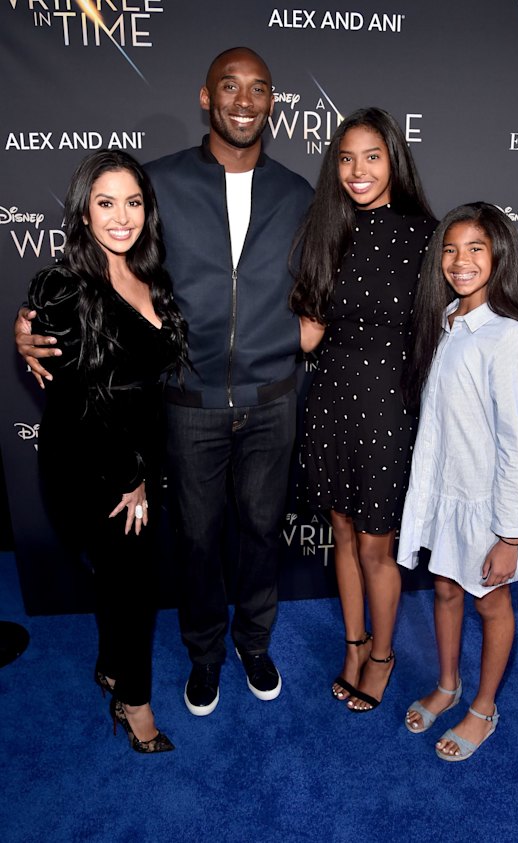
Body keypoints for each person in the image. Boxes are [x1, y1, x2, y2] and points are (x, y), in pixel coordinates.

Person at [16, 47, 314, 716]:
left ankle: (254, 642)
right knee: (198, 539)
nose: (244, 100)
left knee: (263, 533)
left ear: (273, 101)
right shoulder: (155, 184)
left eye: (259, 88)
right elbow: (97, 265)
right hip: (187, 402)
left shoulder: (299, 192)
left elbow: (327, 275)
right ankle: (205, 653)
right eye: (229, 87)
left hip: (272, 400)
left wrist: (312, 326)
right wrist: (33, 319)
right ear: (205, 97)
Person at [27, 150, 188, 752]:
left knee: (123, 579)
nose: (122, 217)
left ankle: (111, 665)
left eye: (134, 202)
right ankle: (135, 704)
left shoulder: (150, 276)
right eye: (105, 203)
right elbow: (83, 400)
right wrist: (131, 479)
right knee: (135, 586)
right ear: (83, 211)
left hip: (142, 457)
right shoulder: (65, 286)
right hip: (93, 464)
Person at [290, 107, 436, 712]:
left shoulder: (425, 234)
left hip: (386, 406)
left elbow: (470, 296)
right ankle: (354, 643)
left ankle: (383, 654)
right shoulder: (326, 229)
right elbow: (307, 333)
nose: (358, 171)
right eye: (346, 158)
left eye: (371, 157)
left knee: (377, 544)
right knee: (341, 533)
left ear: (394, 161)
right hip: (329, 398)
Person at [398, 202, 518, 761]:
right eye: (450, 249)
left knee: (489, 604)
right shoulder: (444, 322)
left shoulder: (509, 337)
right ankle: (448, 685)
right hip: (445, 493)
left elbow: (516, 444)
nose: (460, 261)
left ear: (499, 255)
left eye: (476, 248)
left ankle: (484, 707)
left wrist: (509, 537)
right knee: (443, 589)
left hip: (488, 505)